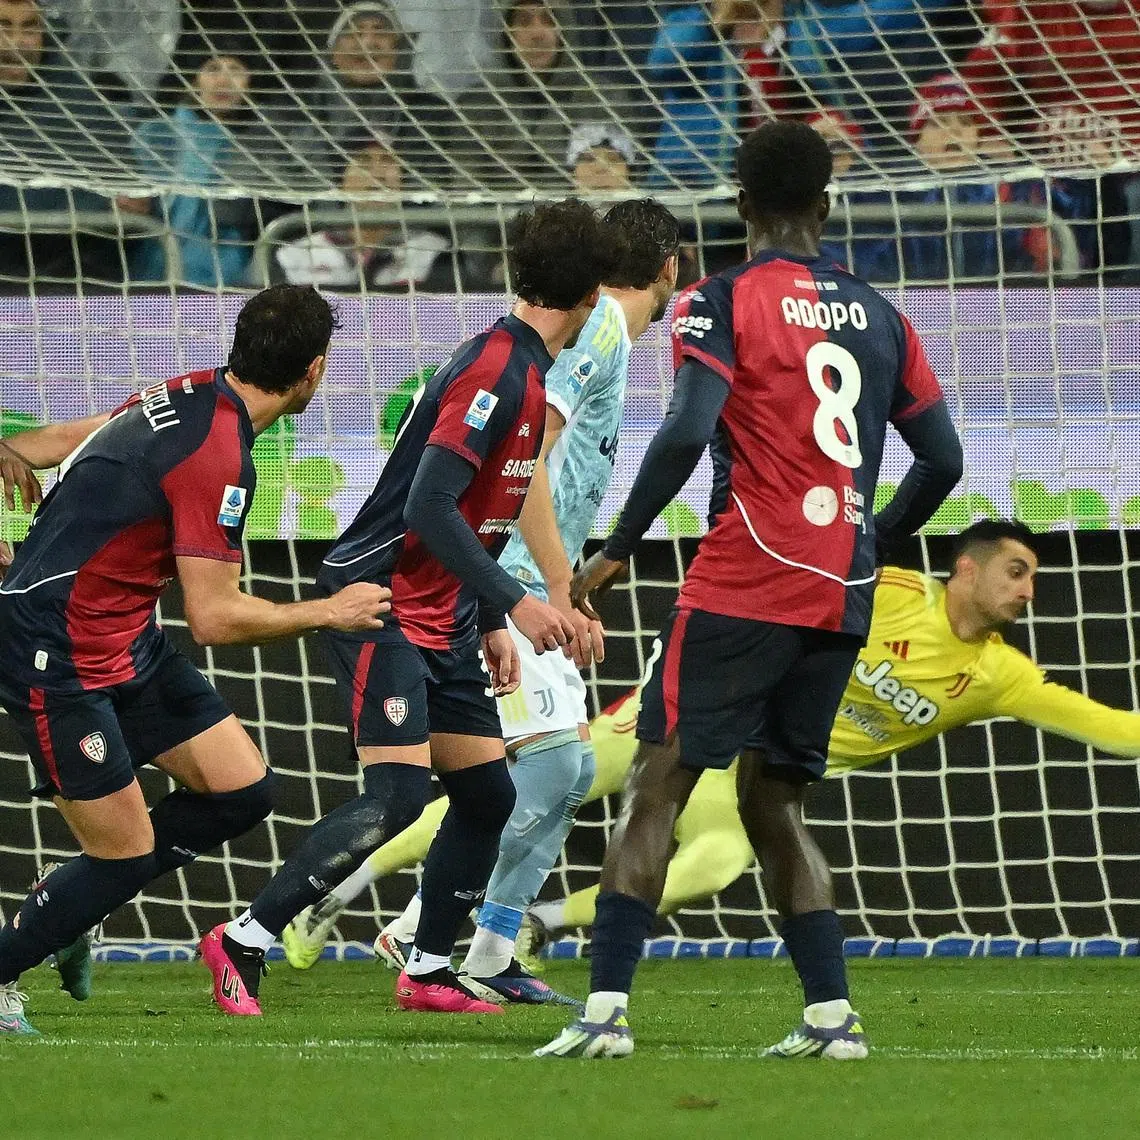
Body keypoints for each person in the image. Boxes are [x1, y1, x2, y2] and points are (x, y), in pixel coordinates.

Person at [536, 119, 964, 1060]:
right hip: (841, 591)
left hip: (747, 577)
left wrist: (617, 547)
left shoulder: (716, 300)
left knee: (657, 785)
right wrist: (871, 540)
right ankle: (830, 1020)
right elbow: (943, 459)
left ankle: (604, 1014)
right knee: (777, 802)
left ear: (738, 206)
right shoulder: (884, 315)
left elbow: (689, 432)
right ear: (825, 205)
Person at [203, 199, 622, 1018]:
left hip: (448, 613)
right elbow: (430, 506)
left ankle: (428, 967)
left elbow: (481, 509)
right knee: (398, 793)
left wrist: (492, 620)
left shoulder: (527, 372)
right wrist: (519, 604)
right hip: (380, 602)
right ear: (591, 297)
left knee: (488, 794)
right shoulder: (496, 371)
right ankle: (245, 939)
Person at [0, 285, 391, 1037]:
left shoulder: (188, 389)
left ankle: (70, 895)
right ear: (314, 371)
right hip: (55, 647)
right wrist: (330, 612)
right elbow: (213, 618)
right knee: (121, 857)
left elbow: (71, 440)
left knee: (240, 793)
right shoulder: (218, 456)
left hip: (124, 639)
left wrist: (12, 448)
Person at [528, 520, 1140, 941]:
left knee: (719, 861)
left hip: (748, 772)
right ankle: (437, 898)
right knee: (541, 786)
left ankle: (542, 923)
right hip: (699, 713)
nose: (1028, 592)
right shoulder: (892, 593)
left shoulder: (1000, 675)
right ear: (966, 572)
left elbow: (1118, 731)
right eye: (1015, 572)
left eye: (1033, 579)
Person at [270, 134, 474, 292]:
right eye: (364, 161)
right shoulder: (294, 255)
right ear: (342, 180)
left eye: (387, 161)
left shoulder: (435, 252)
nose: (378, 174)